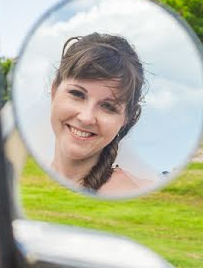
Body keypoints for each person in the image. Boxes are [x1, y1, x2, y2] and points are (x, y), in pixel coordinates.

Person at [49, 33, 150, 195]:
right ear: (54, 91)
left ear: (127, 118)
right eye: (77, 94)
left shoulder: (129, 194)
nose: (86, 117)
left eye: (108, 106)